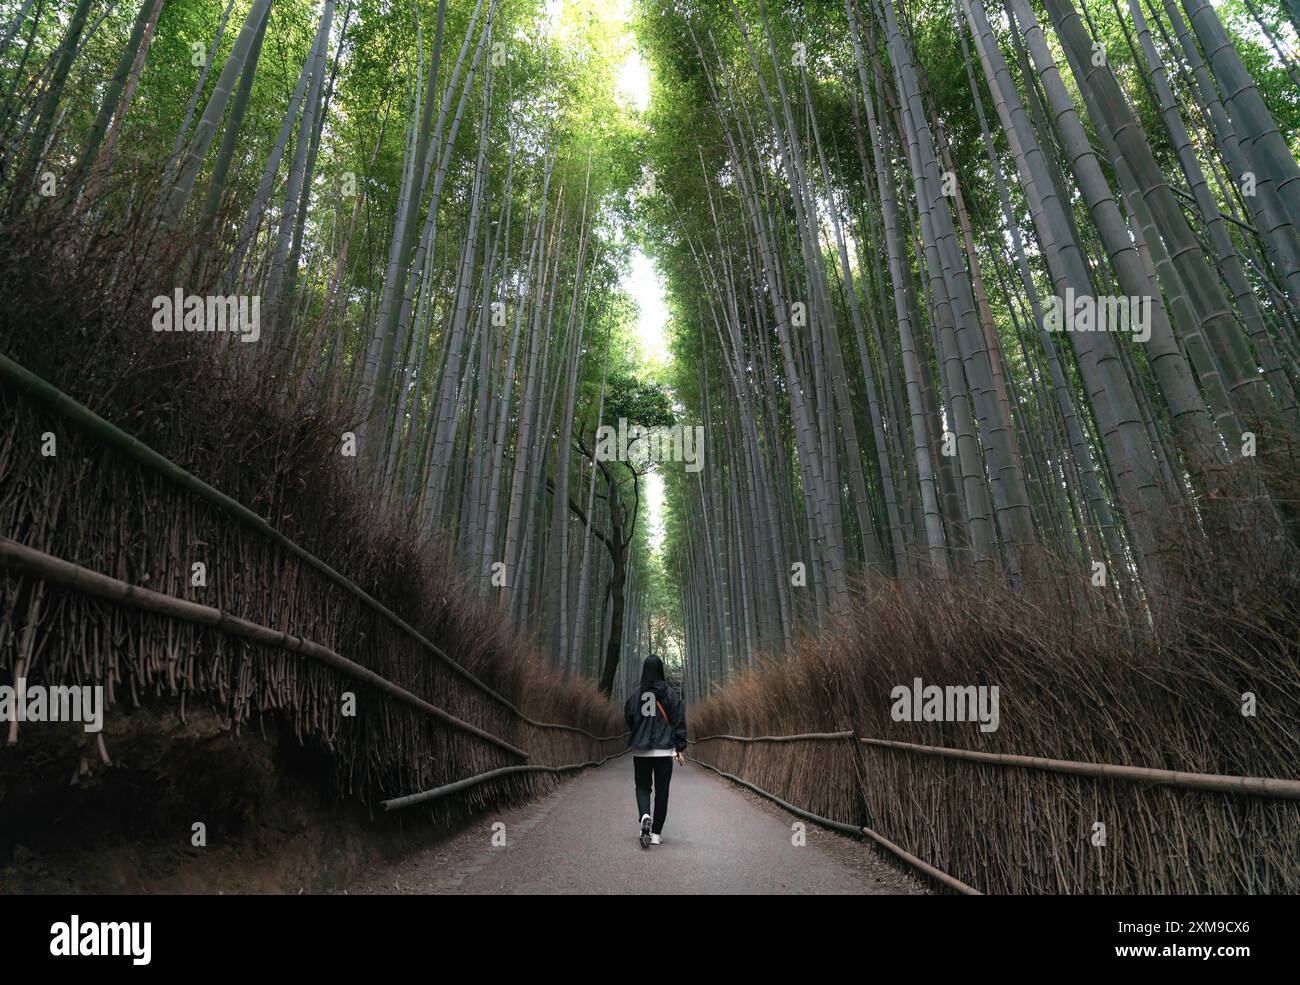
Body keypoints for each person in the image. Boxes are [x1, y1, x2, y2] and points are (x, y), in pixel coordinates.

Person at [623, 654, 687, 848]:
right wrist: (680, 747)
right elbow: (678, 721)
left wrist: (639, 732)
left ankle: (644, 815)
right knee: (662, 792)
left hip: (641, 750)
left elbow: (629, 716)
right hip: (664, 750)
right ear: (661, 670)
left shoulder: (636, 694)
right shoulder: (670, 694)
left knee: (642, 787)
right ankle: (656, 834)